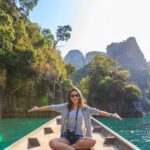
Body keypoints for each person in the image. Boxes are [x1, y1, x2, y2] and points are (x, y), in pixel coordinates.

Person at [28, 86, 122, 150]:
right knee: (52, 143)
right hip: (66, 136)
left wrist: (112, 115)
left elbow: (99, 112)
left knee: (92, 141)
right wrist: (37, 108)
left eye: (77, 95)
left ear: (79, 96)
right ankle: (73, 148)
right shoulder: (65, 107)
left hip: (79, 137)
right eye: (72, 95)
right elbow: (51, 107)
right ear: (70, 97)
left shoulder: (85, 108)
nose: (75, 97)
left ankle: (68, 148)